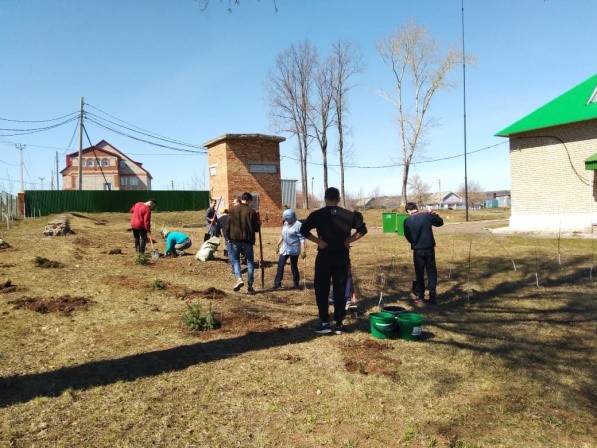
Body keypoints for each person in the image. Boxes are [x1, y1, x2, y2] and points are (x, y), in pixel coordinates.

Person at [300, 187, 367, 335]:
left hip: (324, 257)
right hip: (341, 257)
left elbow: (303, 230)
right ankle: (339, 323)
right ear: (338, 199)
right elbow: (362, 230)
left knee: (321, 289)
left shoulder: (317, 215)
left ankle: (324, 322)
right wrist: (348, 240)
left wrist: (318, 241)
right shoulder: (349, 215)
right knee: (340, 290)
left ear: (325, 199)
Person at [403, 202, 444, 306]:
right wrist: (432, 213)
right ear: (416, 208)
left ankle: (420, 296)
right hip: (429, 249)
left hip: (418, 250)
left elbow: (407, 235)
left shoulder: (407, 221)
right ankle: (432, 296)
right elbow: (440, 223)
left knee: (419, 273)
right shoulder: (427, 216)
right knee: (431, 272)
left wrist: (414, 242)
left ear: (408, 211)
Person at [223, 192, 261, 295]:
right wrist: (259, 224)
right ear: (249, 200)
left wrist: (228, 237)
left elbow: (228, 225)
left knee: (236, 260)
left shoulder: (233, 210)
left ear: (242, 199)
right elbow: (256, 228)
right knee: (249, 261)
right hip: (248, 240)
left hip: (235, 240)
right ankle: (250, 286)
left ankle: (239, 278)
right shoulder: (251, 212)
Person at [273, 209, 306, 289]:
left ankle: (296, 284)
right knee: (280, 265)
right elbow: (282, 235)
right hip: (284, 248)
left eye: (287, 218)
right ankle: (277, 283)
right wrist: (278, 245)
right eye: (285, 218)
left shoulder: (298, 225)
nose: (286, 219)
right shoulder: (285, 223)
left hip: (294, 249)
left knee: (293, 266)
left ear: (292, 217)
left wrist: (303, 251)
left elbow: (302, 239)